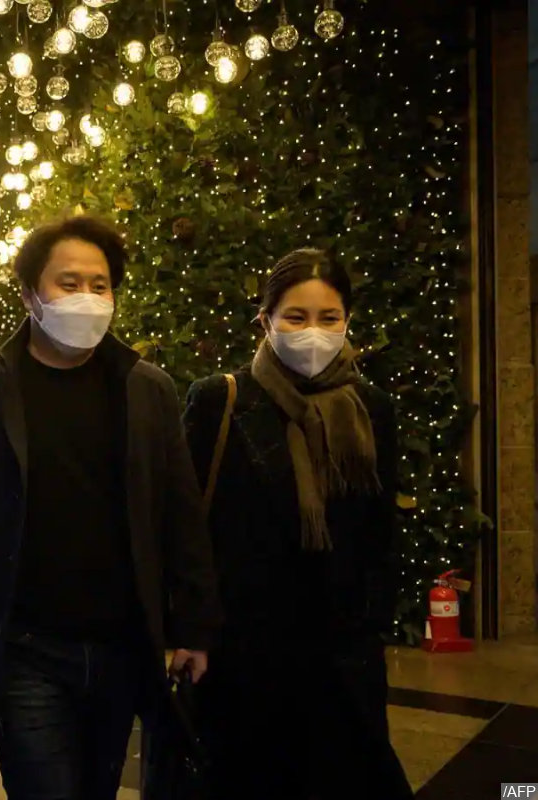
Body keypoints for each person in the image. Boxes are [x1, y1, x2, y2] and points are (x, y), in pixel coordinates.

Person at [0, 215, 221, 797]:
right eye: (68, 283)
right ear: (30, 295)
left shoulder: (147, 389)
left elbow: (180, 513)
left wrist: (193, 624)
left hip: (120, 645)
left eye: (100, 284)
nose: (86, 297)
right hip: (24, 649)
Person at [184, 249, 412, 798]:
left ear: (347, 321)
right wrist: (193, 631)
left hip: (341, 654)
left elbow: (379, 529)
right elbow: (188, 527)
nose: (313, 332)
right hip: (246, 657)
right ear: (265, 320)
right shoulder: (221, 400)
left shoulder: (370, 407)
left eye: (328, 318)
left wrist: (371, 626)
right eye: (295, 317)